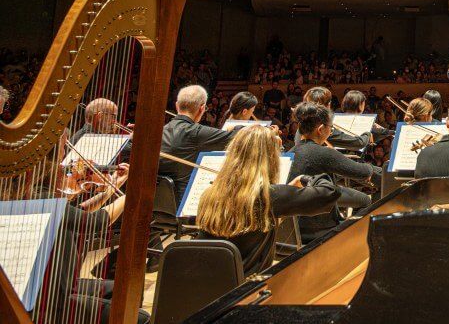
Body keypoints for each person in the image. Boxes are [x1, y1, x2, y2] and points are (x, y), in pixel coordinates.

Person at [196, 125, 338, 274]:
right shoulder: (268, 196)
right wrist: (306, 178)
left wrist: (284, 192)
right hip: (246, 289)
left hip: (206, 281)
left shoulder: (209, 194)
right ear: (269, 159)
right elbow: (329, 194)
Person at [287, 102, 382, 243]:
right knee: (366, 200)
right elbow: (361, 172)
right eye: (330, 128)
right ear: (320, 129)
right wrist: (375, 170)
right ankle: (354, 243)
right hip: (317, 226)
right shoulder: (323, 153)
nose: (331, 132)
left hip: (294, 228)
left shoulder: (291, 151)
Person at [160, 85, 234, 205]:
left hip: (157, 205)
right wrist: (235, 127)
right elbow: (239, 137)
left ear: (177, 105)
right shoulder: (196, 132)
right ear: (202, 108)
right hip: (183, 208)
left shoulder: (160, 131)